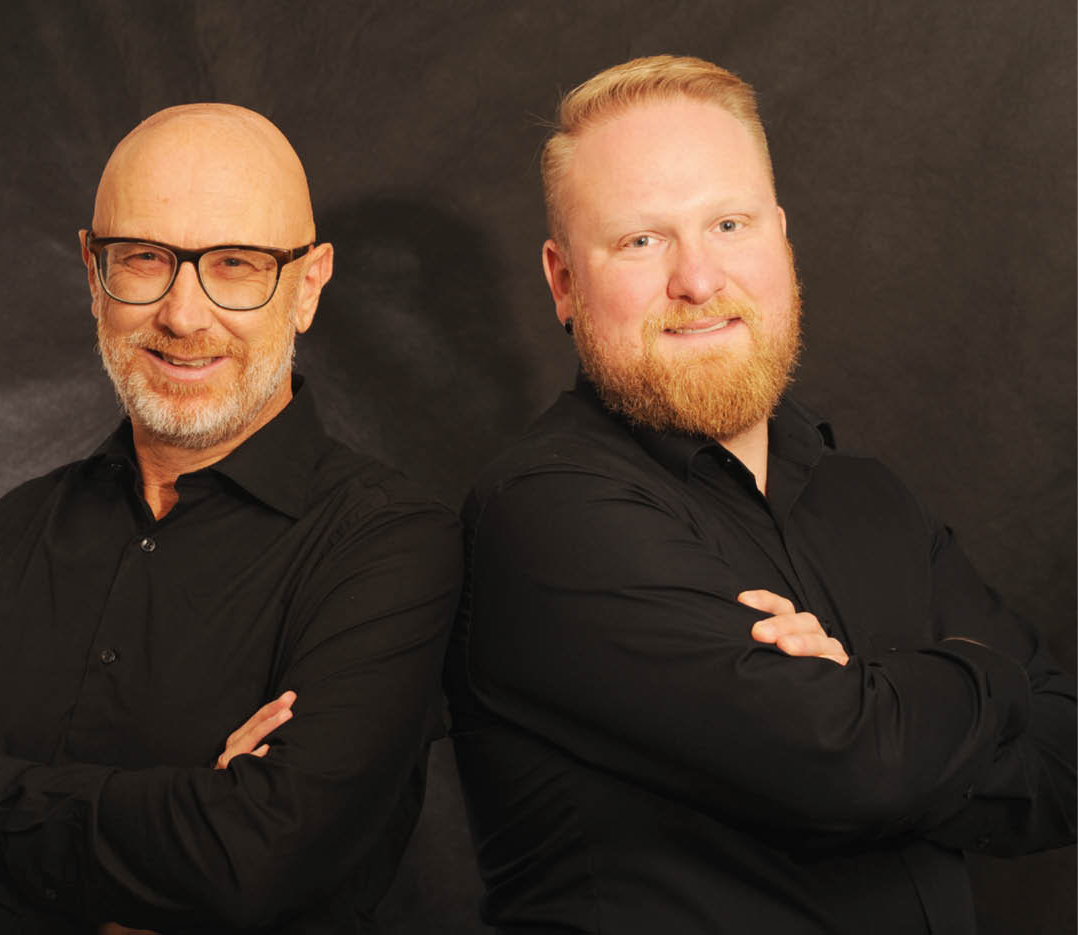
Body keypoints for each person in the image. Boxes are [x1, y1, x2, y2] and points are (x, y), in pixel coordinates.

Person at [445, 55, 1075, 934]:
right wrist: (982, 680)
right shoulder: (542, 513)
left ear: (781, 239)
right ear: (563, 283)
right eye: (641, 241)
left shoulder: (869, 497)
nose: (698, 281)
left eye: (729, 224)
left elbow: (1065, 758)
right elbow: (852, 768)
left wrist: (878, 704)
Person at [0, 104, 461, 934]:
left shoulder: (390, 545)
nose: (183, 315)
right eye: (145, 259)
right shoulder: (22, 529)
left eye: (236, 264)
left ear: (308, 286)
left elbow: (253, 859)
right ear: (93, 272)